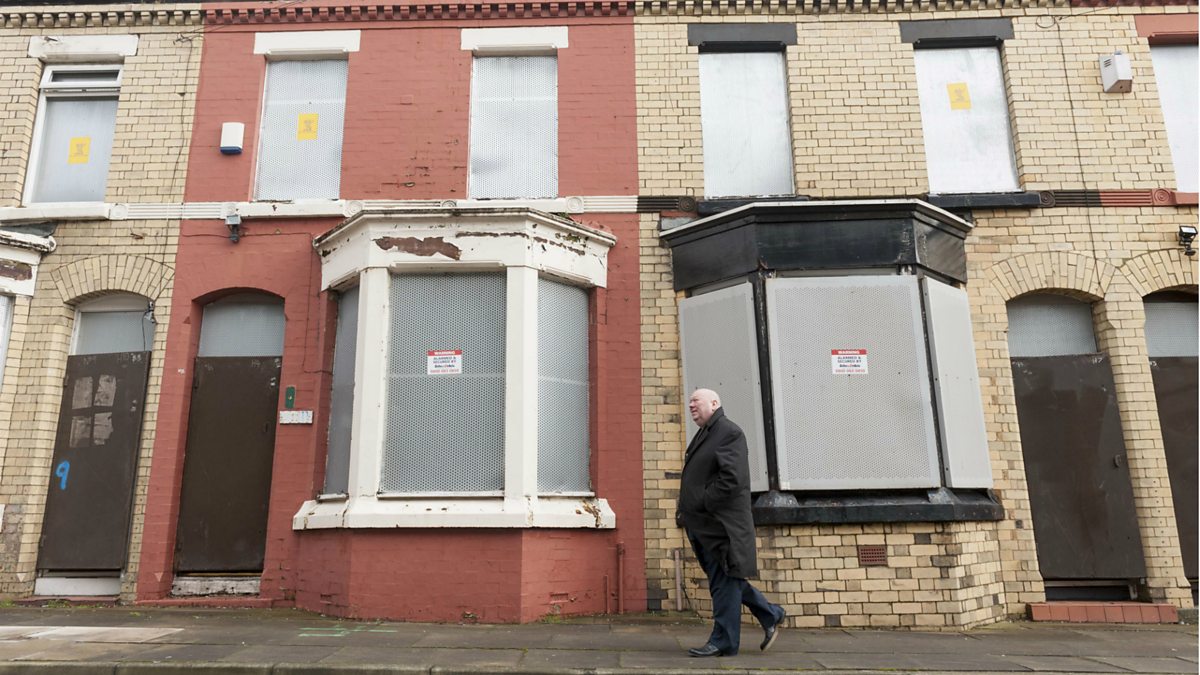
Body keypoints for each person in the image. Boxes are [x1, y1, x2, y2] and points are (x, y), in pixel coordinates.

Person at [676, 388, 786, 657]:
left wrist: (701, 501)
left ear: (714, 403)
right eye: (689, 401)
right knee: (726, 581)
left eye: (696, 401)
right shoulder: (708, 433)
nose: (690, 405)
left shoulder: (729, 432)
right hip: (706, 526)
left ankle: (724, 640)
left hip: (722, 528)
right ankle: (771, 614)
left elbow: (731, 480)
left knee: (724, 582)